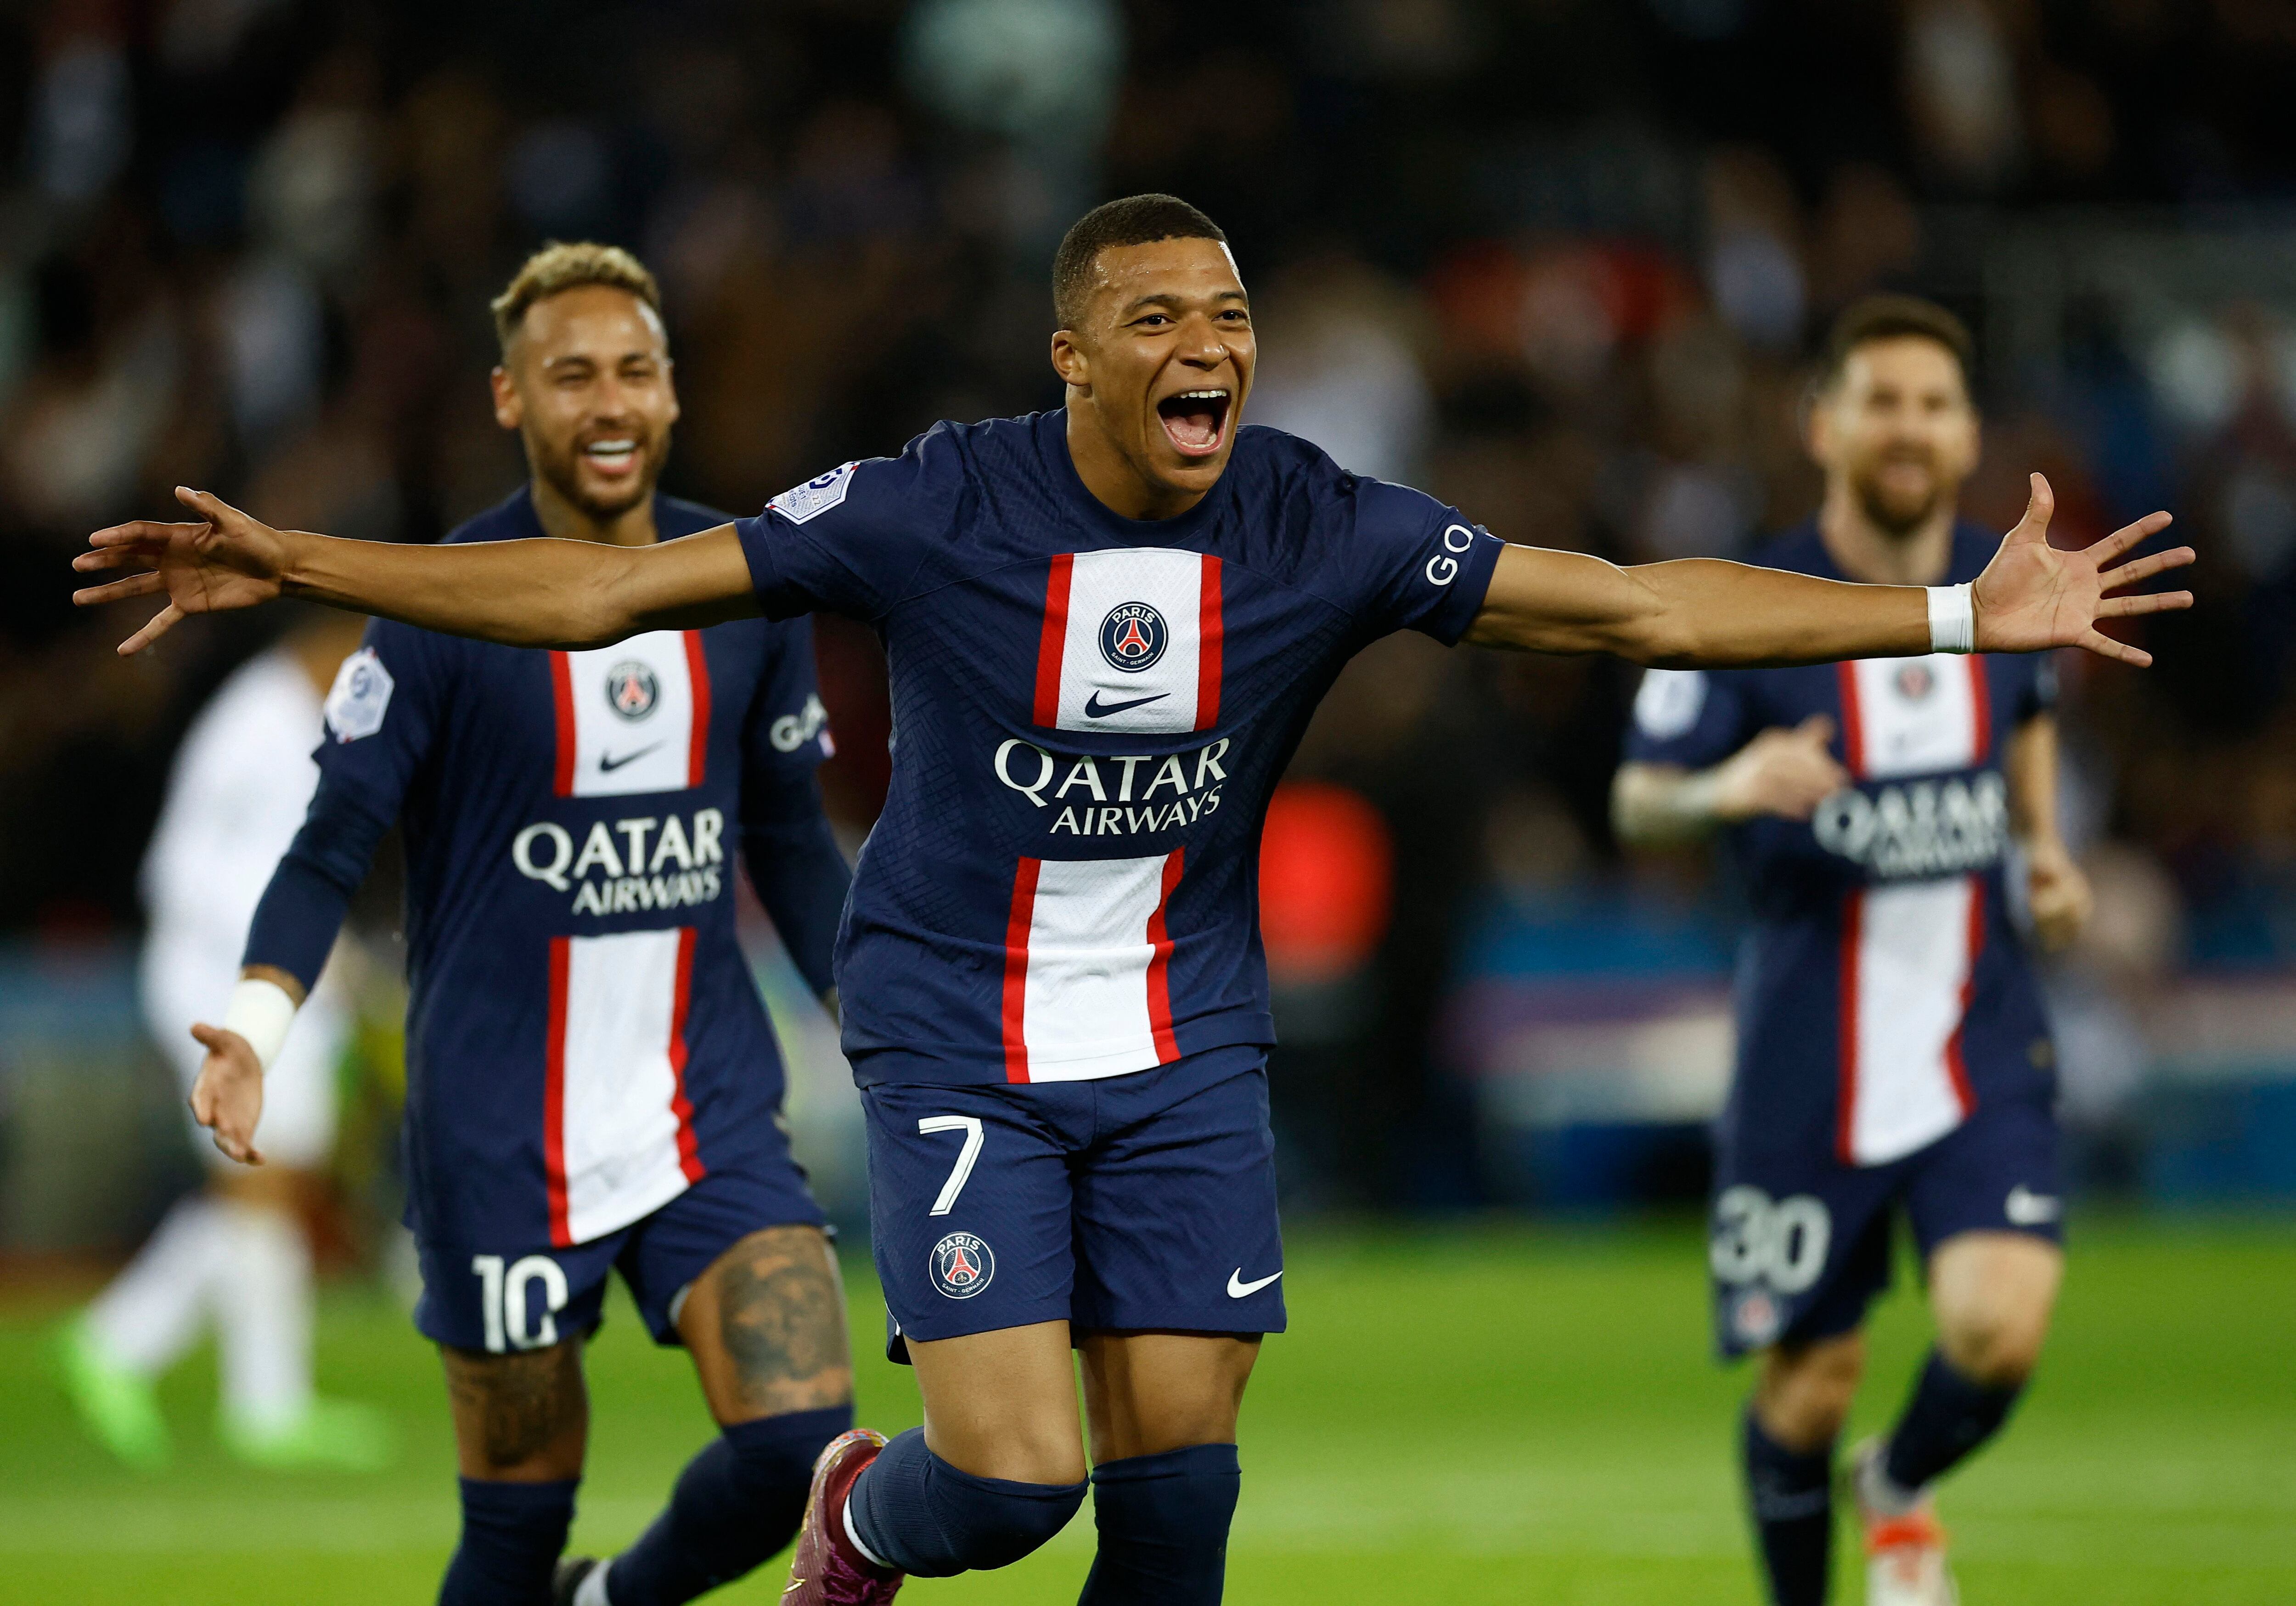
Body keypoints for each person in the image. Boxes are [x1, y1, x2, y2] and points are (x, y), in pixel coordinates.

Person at [74, 199, 2190, 1606]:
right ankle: (850, 1509)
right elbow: (607, 581)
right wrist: (315, 561)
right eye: (1162, 321)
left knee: (1178, 1503)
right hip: (962, 1027)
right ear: (1073, 352)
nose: (1213, 348)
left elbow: (1628, 596)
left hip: (1185, 1039)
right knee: (1008, 1482)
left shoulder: (1319, 520)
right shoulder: (936, 501)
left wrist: (1939, 607)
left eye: (1235, 321)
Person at [129, 242, 858, 1606]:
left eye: (635, 370)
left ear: (672, 394)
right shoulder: (435, 610)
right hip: (498, 1137)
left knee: (807, 1445)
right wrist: (258, 1029)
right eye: (569, 373)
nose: (608, 402)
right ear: (509, 400)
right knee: (515, 1532)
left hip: (705, 1112)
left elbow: (789, 848)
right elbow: (331, 839)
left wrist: (883, 1030)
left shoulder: (746, 585)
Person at [1612, 296, 2099, 1606]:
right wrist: (1723, 789)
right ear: (1820, 423)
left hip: (1980, 1032)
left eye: (1934, 403)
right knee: (1809, 1385)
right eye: (1880, 399)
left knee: (1997, 1328)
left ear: (1967, 434)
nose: (1908, 427)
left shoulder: (2011, 589)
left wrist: (2045, 847)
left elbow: (2033, 702)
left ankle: (1897, 1485)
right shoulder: (1749, 607)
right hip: (1807, 1053)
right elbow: (1636, 797)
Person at [56, 606, 393, 1472]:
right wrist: (275, 974)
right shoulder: (260, 722)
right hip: (224, 975)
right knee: (263, 1179)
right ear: (323, 643)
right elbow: (185, 867)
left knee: (270, 1183)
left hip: (265, 976)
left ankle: (216, 1381)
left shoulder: (296, 719)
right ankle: (199, 1376)